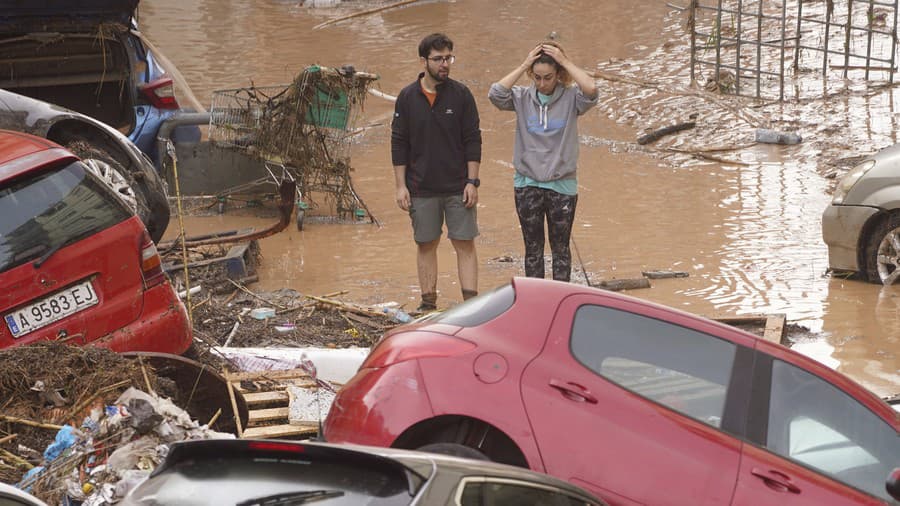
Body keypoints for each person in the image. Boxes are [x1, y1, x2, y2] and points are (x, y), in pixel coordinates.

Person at [488, 40, 598, 282]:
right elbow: (495, 94)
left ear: (558, 74)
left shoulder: (572, 99)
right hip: (527, 184)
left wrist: (565, 61)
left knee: (561, 250)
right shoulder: (521, 97)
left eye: (548, 77)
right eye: (536, 77)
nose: (542, 83)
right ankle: (535, 301)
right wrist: (524, 63)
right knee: (533, 250)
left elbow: (591, 90)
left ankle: (560, 300)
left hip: (562, 186)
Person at [392, 33, 482, 311]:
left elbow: (473, 139)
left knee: (464, 242)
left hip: (458, 186)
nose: (445, 64)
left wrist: (472, 181)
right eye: (439, 59)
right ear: (423, 61)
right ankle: (428, 303)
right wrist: (400, 186)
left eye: (449, 58)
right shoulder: (407, 97)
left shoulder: (461, 94)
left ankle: (471, 306)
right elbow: (399, 143)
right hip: (421, 187)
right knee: (426, 244)